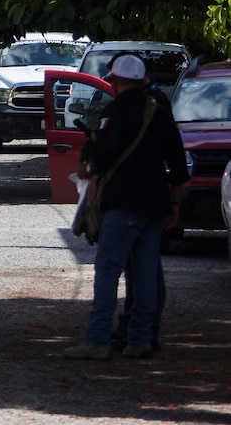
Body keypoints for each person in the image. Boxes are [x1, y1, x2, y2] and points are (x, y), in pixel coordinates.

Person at [64, 55, 187, 361]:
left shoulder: (114, 111)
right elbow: (179, 170)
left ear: (115, 82)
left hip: (122, 203)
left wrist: (88, 164)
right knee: (145, 274)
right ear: (144, 80)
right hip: (155, 203)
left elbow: (103, 159)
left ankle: (96, 340)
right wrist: (173, 204)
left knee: (107, 271)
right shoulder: (160, 112)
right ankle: (141, 340)